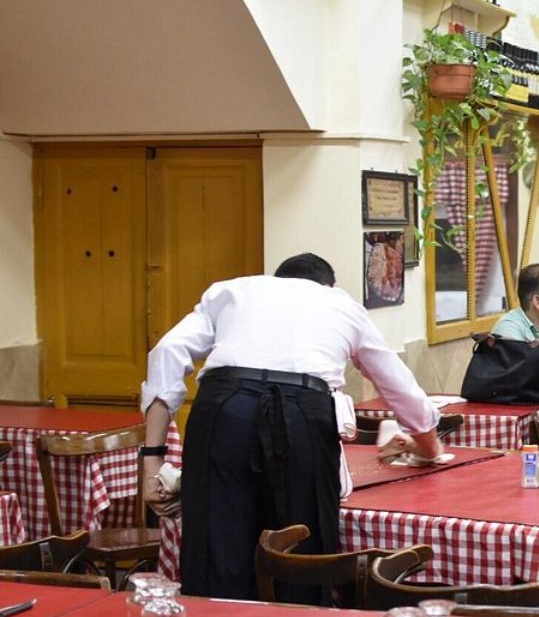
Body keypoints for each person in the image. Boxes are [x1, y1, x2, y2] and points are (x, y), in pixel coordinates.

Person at [139, 253, 442, 602]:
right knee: (302, 549)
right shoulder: (339, 304)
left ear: (275, 278)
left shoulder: (232, 291)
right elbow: (398, 385)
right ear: (330, 286)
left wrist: (152, 464)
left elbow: (167, 351)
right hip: (302, 411)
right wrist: (431, 448)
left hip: (223, 410)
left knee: (216, 547)